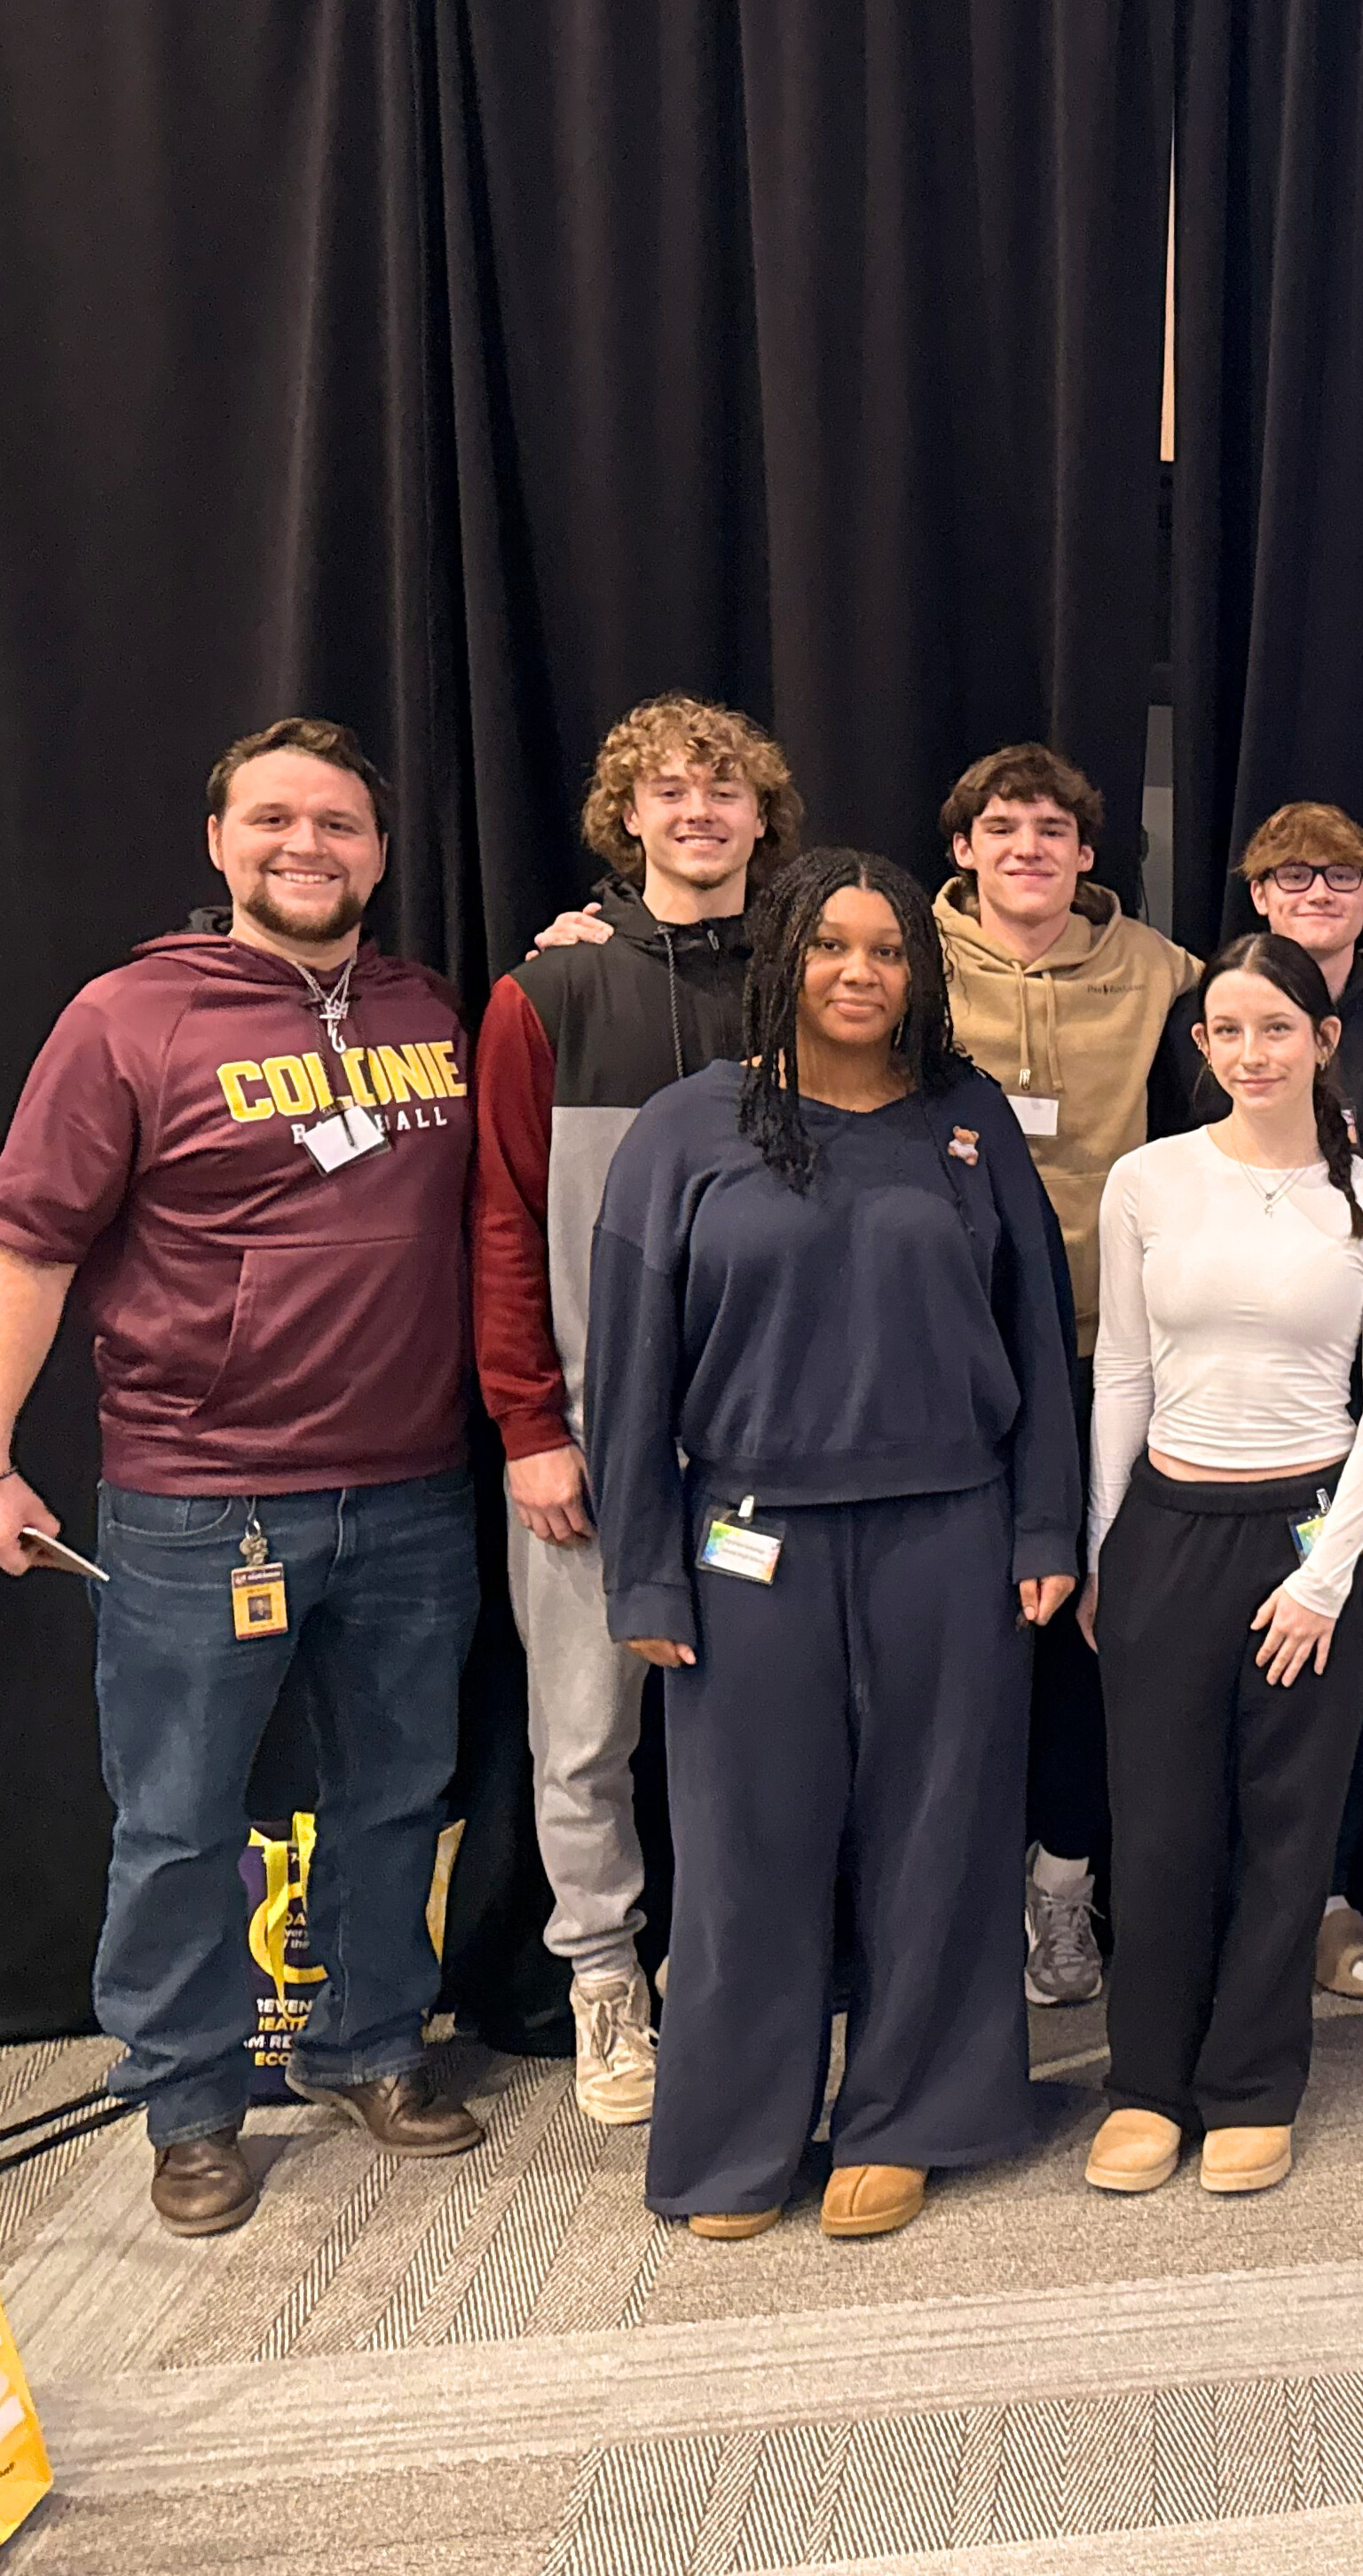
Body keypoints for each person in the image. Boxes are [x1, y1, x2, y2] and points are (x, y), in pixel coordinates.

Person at [0, 718, 485, 2237]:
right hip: (203, 1498)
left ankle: (366, 2046)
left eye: (337, 822)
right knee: (181, 1818)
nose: (306, 845)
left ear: (379, 853)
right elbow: (30, 1244)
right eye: (273, 818)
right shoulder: (128, 1017)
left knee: (394, 1796)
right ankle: (190, 2101)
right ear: (219, 843)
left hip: (414, 1485)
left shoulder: (426, 1007)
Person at [587, 849, 1080, 2240]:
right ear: (782, 960)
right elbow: (628, 1367)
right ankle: (733, 2139)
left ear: (919, 972)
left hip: (951, 1527)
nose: (860, 972)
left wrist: (1046, 1519)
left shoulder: (966, 1118)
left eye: (887, 948)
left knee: (941, 1834)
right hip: (750, 1541)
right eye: (830, 945)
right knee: (748, 1848)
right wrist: (642, 1563)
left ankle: (908, 2118)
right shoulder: (687, 1128)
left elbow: (1038, 1329)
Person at [475, 694, 799, 2123]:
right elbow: (501, 1220)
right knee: (583, 1733)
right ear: (627, 817)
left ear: (760, 817)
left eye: (723, 789)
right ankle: (604, 1978)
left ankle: (745, 1968)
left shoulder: (811, 981)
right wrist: (529, 1426)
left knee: (764, 1726)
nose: (698, 811)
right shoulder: (547, 993)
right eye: (668, 790)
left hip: (768, 1448)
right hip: (591, 1446)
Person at [1078, 933, 1363, 2198]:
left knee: (1287, 1826)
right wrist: (1104, 1543)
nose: (1250, 1052)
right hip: (1167, 1527)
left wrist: (1327, 1573)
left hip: (1309, 1534)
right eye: (1226, 1030)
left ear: (1323, 1040)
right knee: (1160, 1823)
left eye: (1276, 1027)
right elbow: (1122, 1369)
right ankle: (1146, 2083)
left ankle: (1251, 2084)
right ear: (1201, 1044)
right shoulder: (1148, 1180)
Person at [929, 743, 1200, 2011]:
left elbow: (1276, 996)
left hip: (1106, 1349)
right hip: (947, 1351)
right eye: (1002, 827)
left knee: (1091, 1632)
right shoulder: (905, 958)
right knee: (956, 1634)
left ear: (1087, 854)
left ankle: (1063, 1885)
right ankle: (944, 1902)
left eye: (1051, 829)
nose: (1027, 848)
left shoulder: (1153, 967)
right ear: (963, 850)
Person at [1160, 802, 1363, 1189]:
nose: (1320, 894)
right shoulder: (1196, 1022)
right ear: (1260, 895)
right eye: (1295, 876)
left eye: (1341, 876)